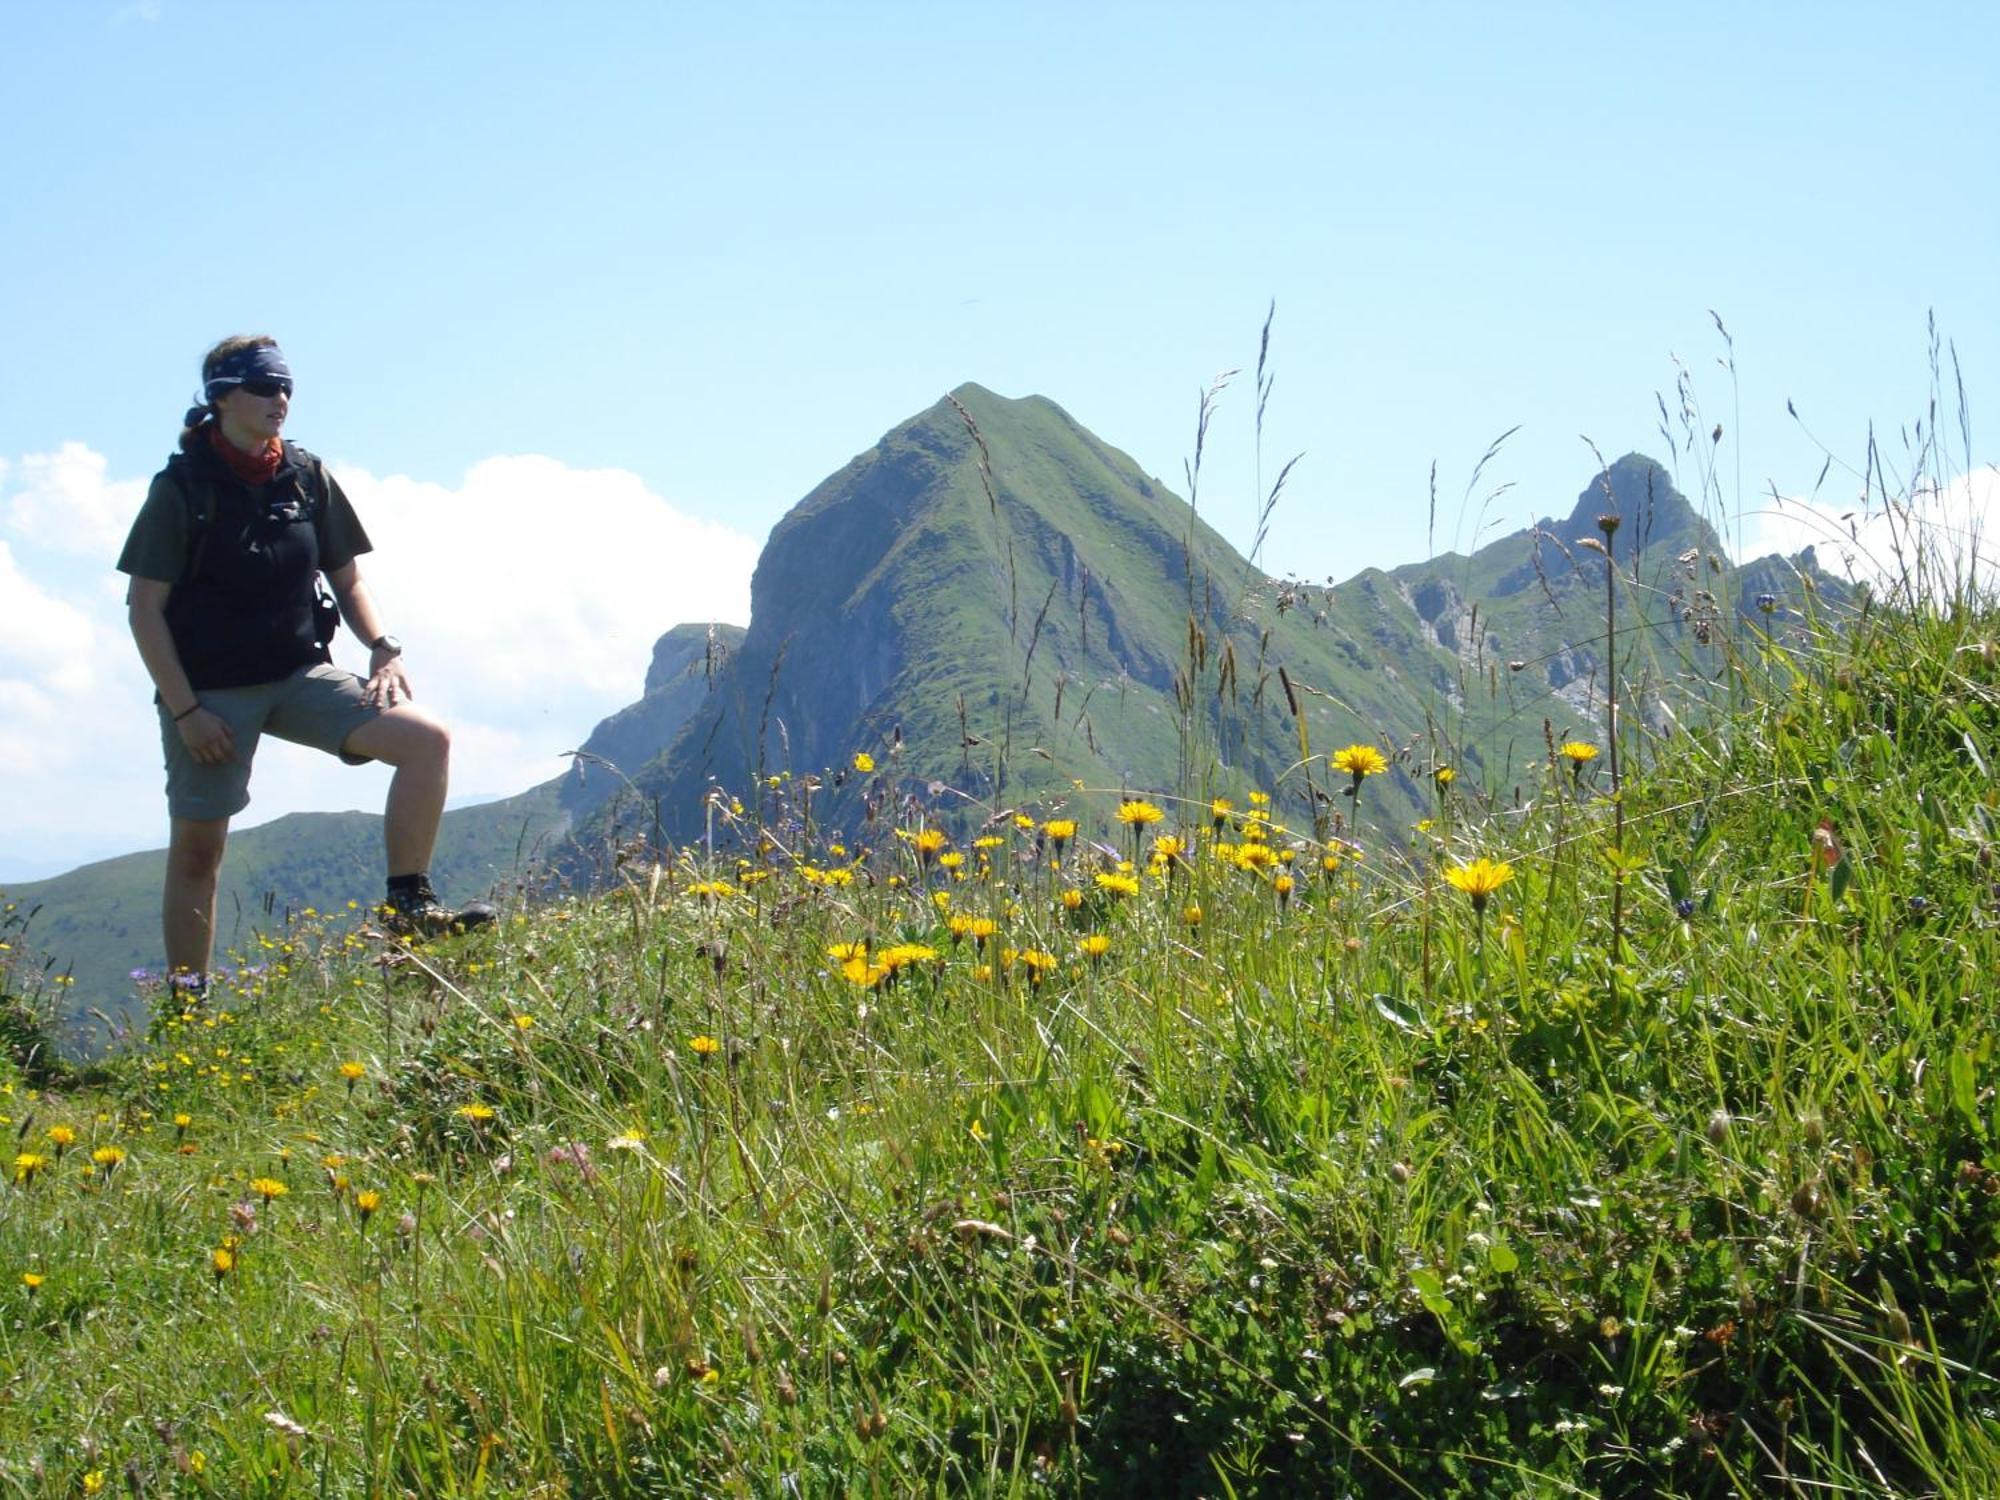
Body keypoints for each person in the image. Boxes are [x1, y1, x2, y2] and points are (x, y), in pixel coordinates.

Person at [117, 335, 492, 993]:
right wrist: (186, 711)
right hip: (209, 695)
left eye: (286, 386)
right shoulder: (182, 490)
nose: (280, 399)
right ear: (223, 395)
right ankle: (187, 1010)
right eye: (264, 387)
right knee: (200, 853)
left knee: (426, 740)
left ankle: (410, 908)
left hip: (297, 674)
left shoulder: (306, 475)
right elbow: (144, 610)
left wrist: (382, 645)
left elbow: (348, 581)